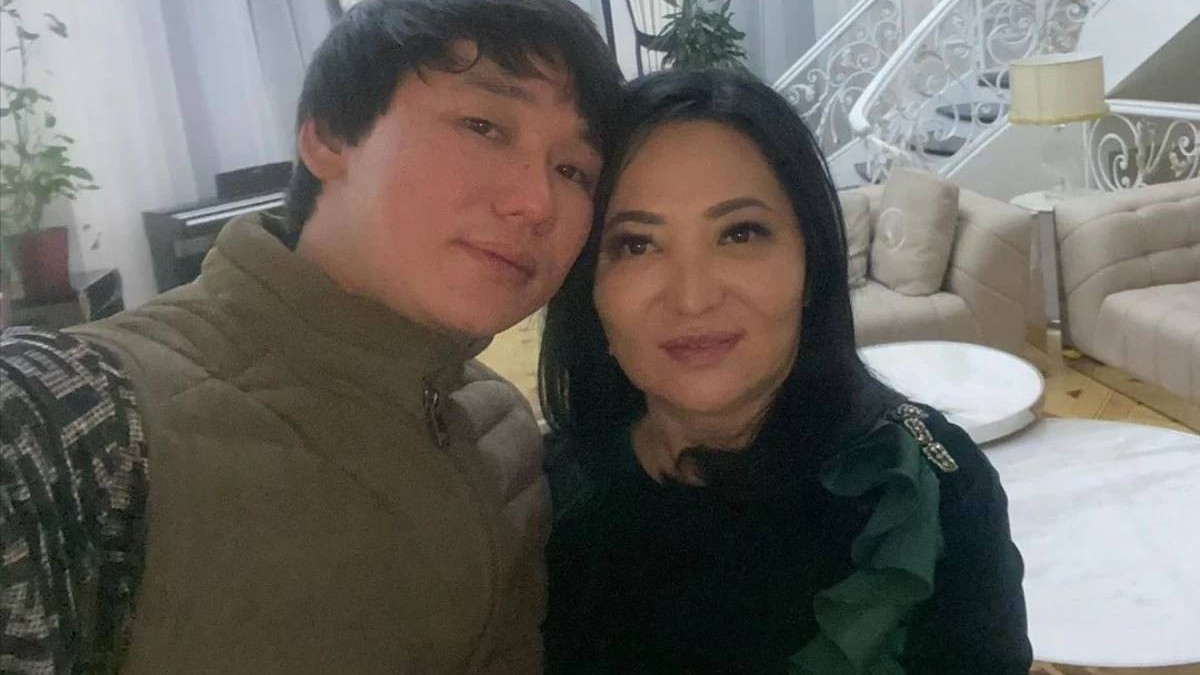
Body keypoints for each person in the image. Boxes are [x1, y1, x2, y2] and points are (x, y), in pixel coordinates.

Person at [0, 1, 621, 673]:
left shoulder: (505, 430)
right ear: (327, 136)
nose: (536, 202)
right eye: (484, 126)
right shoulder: (82, 416)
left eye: (573, 171)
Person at [538, 68, 1033, 674]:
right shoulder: (537, 501)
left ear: (811, 264)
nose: (693, 299)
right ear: (589, 288)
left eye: (739, 233)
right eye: (637, 244)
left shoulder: (927, 492)